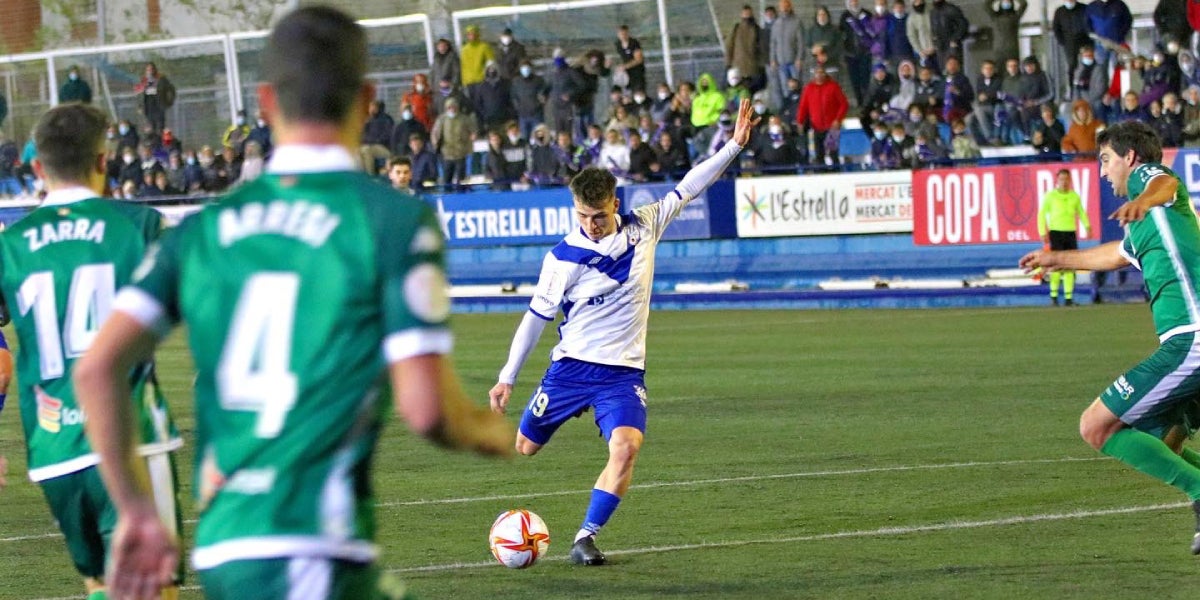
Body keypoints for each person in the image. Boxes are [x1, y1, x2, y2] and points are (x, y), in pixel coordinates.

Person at [74, 8, 511, 599]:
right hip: (313, 547)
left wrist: (137, 511)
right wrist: (489, 431)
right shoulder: (391, 219)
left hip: (224, 547)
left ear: (264, 102)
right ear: (366, 100)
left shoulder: (204, 230)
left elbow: (98, 366)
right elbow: (427, 409)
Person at [488, 98, 757, 567]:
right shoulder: (562, 258)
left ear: (615, 203)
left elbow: (688, 187)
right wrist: (508, 376)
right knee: (525, 447)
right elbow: (536, 317)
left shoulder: (645, 225)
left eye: (599, 216)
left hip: (622, 373)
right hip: (570, 368)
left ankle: (585, 537)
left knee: (628, 446)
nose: (591, 225)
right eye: (582, 216)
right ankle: (548, 423)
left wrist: (733, 146)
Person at [0, 102, 183, 600]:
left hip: (54, 448)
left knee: (101, 585)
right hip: (133, 438)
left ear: (36, 167)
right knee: (153, 590)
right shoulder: (140, 226)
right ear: (104, 161)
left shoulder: (9, 247)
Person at [1019, 120, 1200, 554]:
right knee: (1157, 441)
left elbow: (1164, 186)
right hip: (1188, 340)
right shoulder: (1144, 226)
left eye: (1105, 160)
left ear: (1129, 157)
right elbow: (1113, 255)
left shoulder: (1149, 182)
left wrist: (1143, 200)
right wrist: (1058, 258)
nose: (1103, 172)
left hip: (1192, 339)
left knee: (1096, 426)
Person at [1036, 169, 1091, 306]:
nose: (1064, 182)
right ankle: (1053, 296)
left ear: (1070, 180)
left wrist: (1088, 226)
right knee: (1056, 265)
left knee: (1070, 265)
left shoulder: (1074, 196)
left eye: (1067, 179)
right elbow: (1041, 214)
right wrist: (1042, 232)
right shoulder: (1050, 196)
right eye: (1062, 179)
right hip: (1055, 233)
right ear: (1057, 181)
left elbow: (1081, 212)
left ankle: (1068, 297)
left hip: (1070, 233)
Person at [1054, 0, 1091, 97]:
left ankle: (1088, 86)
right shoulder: (1059, 11)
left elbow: (1090, 25)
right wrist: (1063, 42)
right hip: (1069, 44)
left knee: (1087, 65)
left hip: (1084, 42)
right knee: (1071, 67)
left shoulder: (1084, 9)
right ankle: (1071, 90)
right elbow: (1056, 29)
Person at [135, 62, 175, 135]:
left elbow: (171, 90)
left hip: (159, 106)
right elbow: (139, 94)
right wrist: (139, 106)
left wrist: (169, 102)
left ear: (154, 70)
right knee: (150, 129)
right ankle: (152, 143)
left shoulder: (161, 79)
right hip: (148, 107)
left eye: (151, 69)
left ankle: (160, 142)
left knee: (160, 128)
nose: (149, 71)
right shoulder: (143, 81)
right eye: (148, 70)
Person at [989, 0, 1028, 64]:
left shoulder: (1015, 16)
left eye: (1008, 2)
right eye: (1004, 1)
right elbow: (986, 5)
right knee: (1000, 69)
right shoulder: (995, 16)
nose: (1006, 3)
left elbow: (1024, 4)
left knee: (1013, 69)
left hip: (1012, 49)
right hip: (999, 49)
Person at [614, 25, 646, 93]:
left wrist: (625, 66)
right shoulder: (618, 44)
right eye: (621, 34)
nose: (623, 36)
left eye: (625, 34)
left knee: (638, 92)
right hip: (627, 75)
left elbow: (639, 59)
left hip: (637, 73)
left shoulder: (634, 43)